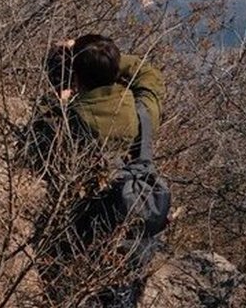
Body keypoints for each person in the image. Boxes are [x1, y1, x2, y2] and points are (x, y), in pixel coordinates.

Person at [29, 34, 166, 306]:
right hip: (136, 233)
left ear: (75, 74)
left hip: (85, 243)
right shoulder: (142, 113)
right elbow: (148, 75)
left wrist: (60, 85)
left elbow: (35, 140)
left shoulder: (66, 124)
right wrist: (105, 58)